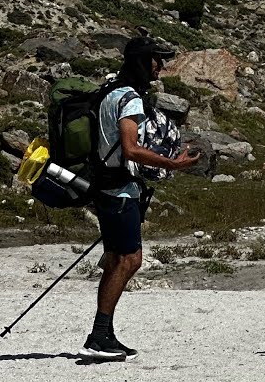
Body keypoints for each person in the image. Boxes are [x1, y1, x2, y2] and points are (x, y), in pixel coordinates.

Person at [82, 36, 201, 361]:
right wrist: (173, 163)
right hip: (120, 190)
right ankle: (99, 334)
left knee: (117, 259)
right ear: (141, 61)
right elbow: (132, 148)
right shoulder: (130, 98)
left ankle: (103, 333)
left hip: (104, 186)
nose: (159, 66)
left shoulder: (109, 91)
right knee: (130, 259)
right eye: (154, 60)